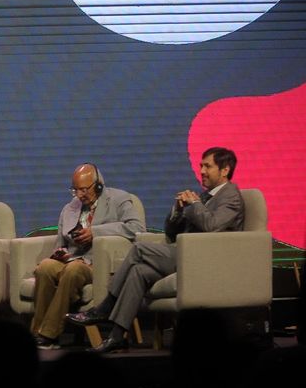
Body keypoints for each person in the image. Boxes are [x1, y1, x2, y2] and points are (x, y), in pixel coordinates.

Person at [67, 147, 245, 353]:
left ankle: (106, 306)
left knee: (139, 250)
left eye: (208, 166)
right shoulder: (205, 196)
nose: (202, 170)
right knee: (138, 272)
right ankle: (116, 337)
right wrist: (178, 210)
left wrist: (195, 204)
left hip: (205, 257)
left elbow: (212, 226)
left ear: (225, 170)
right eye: (201, 165)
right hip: (184, 252)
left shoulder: (231, 196)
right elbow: (171, 231)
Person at [31, 163, 145, 349]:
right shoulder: (70, 208)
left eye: (83, 189)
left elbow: (137, 228)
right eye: (75, 190)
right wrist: (60, 253)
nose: (79, 195)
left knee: (74, 270)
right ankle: (36, 334)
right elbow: (61, 243)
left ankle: (49, 335)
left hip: (99, 264)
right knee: (45, 267)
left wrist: (96, 232)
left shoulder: (119, 199)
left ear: (98, 185)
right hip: (72, 260)